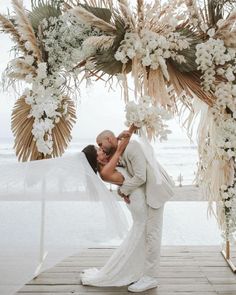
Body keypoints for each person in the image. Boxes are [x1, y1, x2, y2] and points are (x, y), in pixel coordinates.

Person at [80, 129, 174, 292]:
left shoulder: (119, 156)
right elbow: (121, 155)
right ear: (95, 160)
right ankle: (146, 275)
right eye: (99, 150)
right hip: (138, 201)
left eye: (101, 146)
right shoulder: (106, 170)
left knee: (144, 236)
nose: (101, 149)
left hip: (148, 195)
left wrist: (122, 191)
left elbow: (135, 173)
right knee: (147, 235)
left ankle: (144, 274)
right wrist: (122, 191)